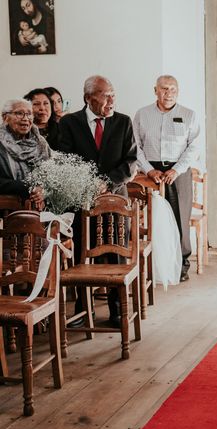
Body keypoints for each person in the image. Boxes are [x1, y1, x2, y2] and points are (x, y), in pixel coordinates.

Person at [58, 75, 137, 326]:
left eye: (113, 93)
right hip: (82, 199)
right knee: (82, 252)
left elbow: (131, 162)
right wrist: (87, 184)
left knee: (115, 253)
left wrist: (107, 182)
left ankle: (116, 309)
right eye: (105, 95)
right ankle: (84, 310)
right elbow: (64, 158)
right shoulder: (70, 123)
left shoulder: (123, 122)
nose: (111, 99)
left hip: (114, 199)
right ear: (88, 98)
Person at [133, 75, 201, 282]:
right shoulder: (142, 114)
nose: (168, 93)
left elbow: (194, 147)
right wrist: (147, 170)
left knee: (180, 218)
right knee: (150, 221)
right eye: (164, 89)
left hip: (178, 173)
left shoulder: (189, 115)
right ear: (155, 90)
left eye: (172, 89)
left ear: (178, 91)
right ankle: (153, 264)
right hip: (150, 173)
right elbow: (135, 145)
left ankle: (181, 264)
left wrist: (177, 170)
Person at [0, 98, 47, 209]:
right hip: (6, 210)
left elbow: (51, 173)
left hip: (39, 209)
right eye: (19, 113)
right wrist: (28, 187)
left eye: (29, 114)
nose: (25, 118)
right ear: (5, 117)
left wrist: (43, 190)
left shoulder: (41, 143)